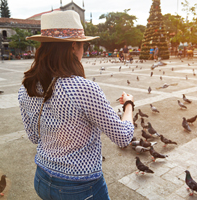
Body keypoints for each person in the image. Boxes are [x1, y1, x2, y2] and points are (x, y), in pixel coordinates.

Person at [18, 10, 134, 200]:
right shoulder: (84, 88)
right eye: (83, 45)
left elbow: (33, 136)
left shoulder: (27, 86)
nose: (84, 50)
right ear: (74, 46)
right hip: (80, 188)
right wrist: (129, 105)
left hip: (42, 179)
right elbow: (123, 137)